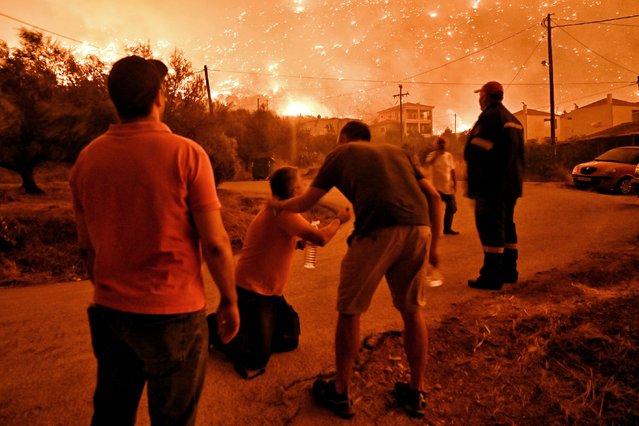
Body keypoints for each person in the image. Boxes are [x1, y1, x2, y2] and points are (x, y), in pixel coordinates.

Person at [69, 55, 239, 426]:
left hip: (110, 312)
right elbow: (215, 244)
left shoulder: (87, 160)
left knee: (112, 414)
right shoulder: (187, 154)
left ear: (115, 100)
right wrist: (229, 300)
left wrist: (110, 290)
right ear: (159, 97)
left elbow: (86, 247)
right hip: (173, 315)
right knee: (173, 419)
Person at [271, 121, 442, 419]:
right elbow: (435, 197)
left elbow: (305, 201)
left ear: (344, 139)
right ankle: (416, 393)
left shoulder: (341, 154)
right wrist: (436, 247)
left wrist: (276, 205)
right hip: (420, 229)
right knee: (412, 311)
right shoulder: (398, 152)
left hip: (378, 230)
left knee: (350, 310)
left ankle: (341, 393)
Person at [210, 166, 351, 377]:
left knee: (289, 339)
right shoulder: (283, 213)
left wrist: (299, 244)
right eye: (300, 184)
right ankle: (211, 328)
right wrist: (339, 219)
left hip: (270, 293)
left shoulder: (282, 211)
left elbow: (282, 241)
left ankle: (251, 329)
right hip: (253, 292)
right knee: (256, 358)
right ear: (294, 190)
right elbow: (321, 238)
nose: (304, 187)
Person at [464, 80, 525, 291]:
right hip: (511, 185)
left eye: (480, 95)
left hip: (492, 186)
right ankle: (510, 271)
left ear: (485, 96)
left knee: (491, 229)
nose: (479, 100)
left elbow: (477, 153)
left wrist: (474, 187)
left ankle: (491, 276)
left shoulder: (490, 118)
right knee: (507, 226)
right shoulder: (514, 120)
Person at [424, 137, 459, 235]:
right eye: (440, 144)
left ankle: (447, 229)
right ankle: (430, 230)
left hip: (447, 187)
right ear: (436, 145)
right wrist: (436, 155)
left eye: (443, 143)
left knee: (452, 208)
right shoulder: (432, 155)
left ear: (446, 145)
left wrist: (455, 184)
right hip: (435, 188)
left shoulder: (449, 156)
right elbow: (428, 164)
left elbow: (452, 170)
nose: (442, 145)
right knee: (433, 210)